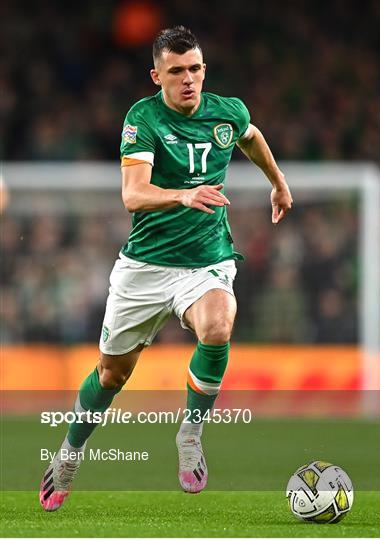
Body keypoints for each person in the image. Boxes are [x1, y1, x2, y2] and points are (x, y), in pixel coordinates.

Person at [39, 25, 293, 511]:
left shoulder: (227, 111)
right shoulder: (143, 119)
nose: (188, 79)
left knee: (218, 324)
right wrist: (182, 194)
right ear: (156, 75)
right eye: (176, 71)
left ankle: (191, 434)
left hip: (207, 259)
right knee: (112, 376)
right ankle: (69, 453)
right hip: (146, 266)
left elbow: (251, 136)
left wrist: (278, 183)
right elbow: (133, 194)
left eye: (195, 68)